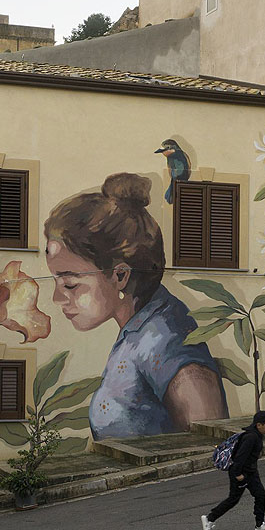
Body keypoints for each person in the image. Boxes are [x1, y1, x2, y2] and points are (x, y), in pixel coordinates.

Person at [44, 172, 229, 440]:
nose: (57, 298)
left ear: (120, 275)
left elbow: (211, 442)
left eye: (70, 285)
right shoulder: (138, 328)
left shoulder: (165, 339)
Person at [201, 410, 265, 530]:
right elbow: (240, 458)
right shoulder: (251, 437)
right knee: (233, 499)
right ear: (259, 425)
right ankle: (209, 519)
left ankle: (260, 525)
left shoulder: (257, 435)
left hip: (251, 472)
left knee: (260, 495)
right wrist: (238, 475)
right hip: (241, 474)